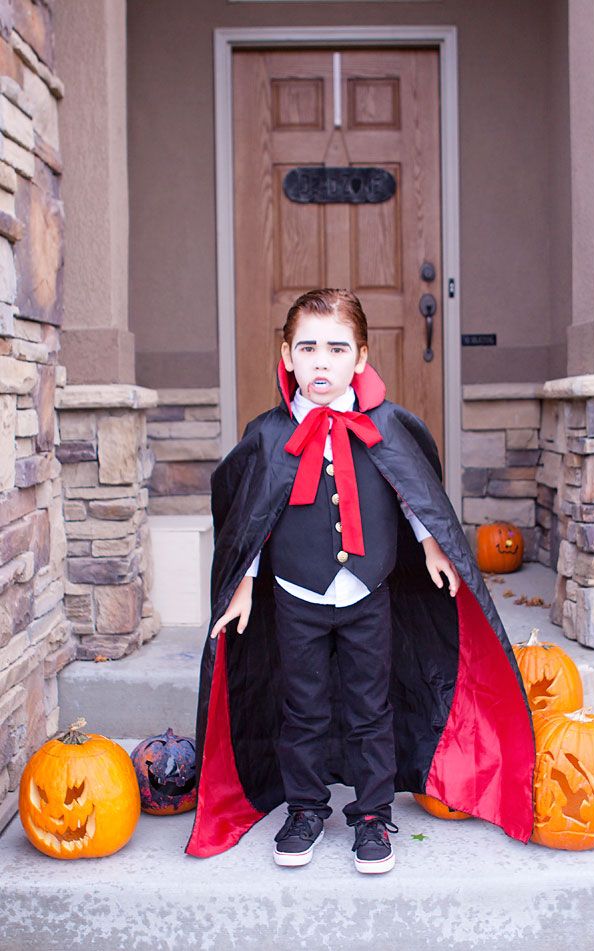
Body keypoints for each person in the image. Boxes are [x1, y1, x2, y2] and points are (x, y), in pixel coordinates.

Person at [184, 289, 536, 871]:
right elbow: (252, 518)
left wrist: (432, 545)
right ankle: (305, 809)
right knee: (303, 708)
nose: (321, 361)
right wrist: (243, 583)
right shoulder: (269, 436)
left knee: (371, 708)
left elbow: (414, 492)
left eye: (337, 348)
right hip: (297, 598)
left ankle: (373, 815)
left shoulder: (388, 426)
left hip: (366, 595)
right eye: (308, 347)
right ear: (287, 356)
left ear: (362, 358)